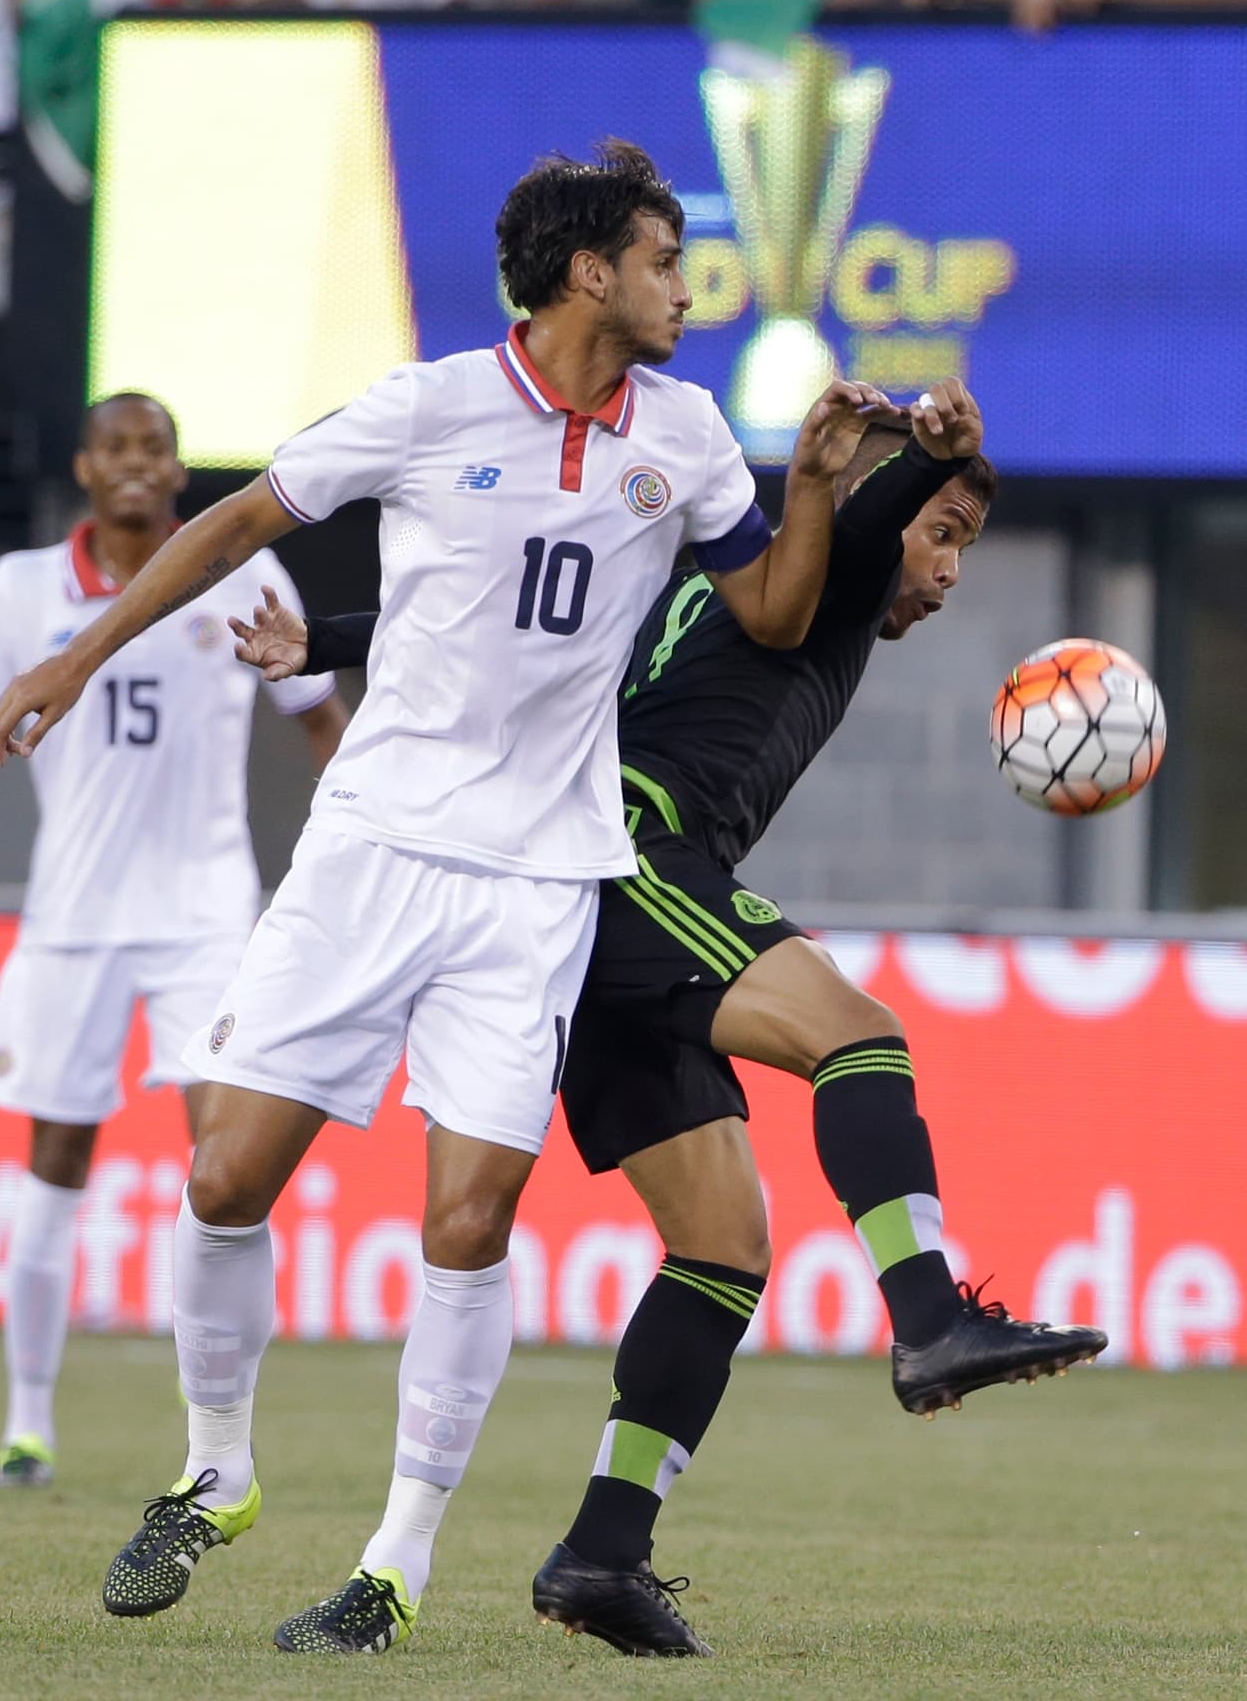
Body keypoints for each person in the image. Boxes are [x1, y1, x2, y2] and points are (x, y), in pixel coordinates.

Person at [0, 141, 894, 1653]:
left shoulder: (683, 432)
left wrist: (808, 487)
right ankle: (216, 1467)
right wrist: (76, 658)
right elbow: (234, 528)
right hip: (371, 856)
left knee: (470, 1219)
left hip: (539, 882)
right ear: (589, 272)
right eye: (668, 260)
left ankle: (394, 1565)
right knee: (224, 1182)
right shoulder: (430, 406)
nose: (688, 289)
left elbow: (773, 609)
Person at [261, 379, 1108, 1658]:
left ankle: (602, 1549)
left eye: (956, 546)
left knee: (720, 1248)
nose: (940, 572)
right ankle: (929, 1315)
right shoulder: (813, 559)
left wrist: (325, 632)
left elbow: (489, 619)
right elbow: (873, 501)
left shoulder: (675, 579)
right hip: (637, 856)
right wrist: (934, 453)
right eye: (943, 536)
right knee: (858, 1034)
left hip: (583, 916)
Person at [0, 391, 347, 1490]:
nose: (137, 465)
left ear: (179, 471)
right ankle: (28, 1423)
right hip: (72, 914)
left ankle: (214, 1442)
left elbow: (324, 724)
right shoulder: (18, 590)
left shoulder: (242, 578)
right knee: (54, 1159)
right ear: (84, 467)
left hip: (204, 913)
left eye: (156, 449)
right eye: (116, 448)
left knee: (219, 1162)